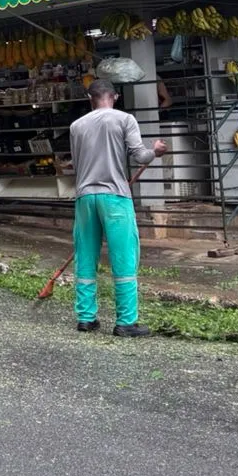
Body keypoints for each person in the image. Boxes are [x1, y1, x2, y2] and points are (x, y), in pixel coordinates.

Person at [69, 77, 167, 337]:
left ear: (90, 99)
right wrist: (155, 150)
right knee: (123, 258)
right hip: (115, 197)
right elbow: (140, 155)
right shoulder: (125, 119)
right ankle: (125, 322)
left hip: (85, 198)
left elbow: (77, 165)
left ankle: (86, 318)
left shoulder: (76, 126)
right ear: (114, 97)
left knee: (86, 258)